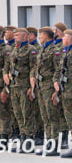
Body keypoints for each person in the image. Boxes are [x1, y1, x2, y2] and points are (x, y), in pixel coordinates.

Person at [33, 26, 64, 156]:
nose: (40, 37)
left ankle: (55, 145)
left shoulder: (55, 51)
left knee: (52, 117)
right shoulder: (42, 49)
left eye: (41, 35)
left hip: (49, 86)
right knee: (45, 117)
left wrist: (55, 87)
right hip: (41, 86)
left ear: (47, 36)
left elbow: (59, 69)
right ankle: (49, 142)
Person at [55, 29, 72, 158]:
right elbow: (61, 70)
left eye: (65, 37)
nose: (62, 39)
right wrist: (56, 82)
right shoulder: (66, 52)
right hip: (66, 91)